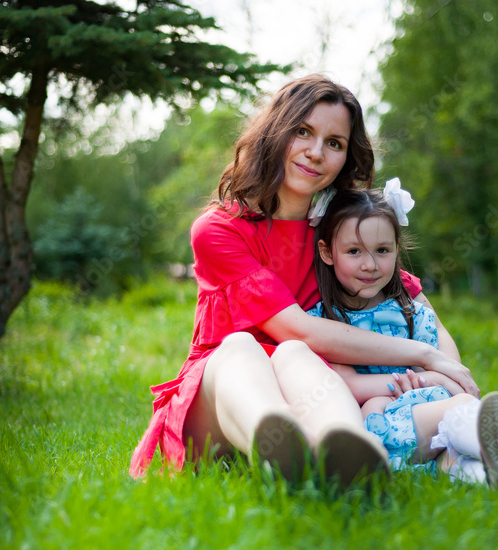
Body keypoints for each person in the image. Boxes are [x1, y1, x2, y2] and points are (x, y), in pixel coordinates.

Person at [130, 75, 479, 484]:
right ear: (275, 132)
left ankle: (347, 452)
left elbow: (410, 300)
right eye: (302, 132)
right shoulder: (219, 228)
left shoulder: (339, 239)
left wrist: (448, 369)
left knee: (297, 357)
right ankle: (279, 440)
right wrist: (422, 356)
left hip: (312, 386)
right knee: (245, 347)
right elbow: (296, 327)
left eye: (334, 143)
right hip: (220, 406)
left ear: (346, 158)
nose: (315, 152)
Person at [306, 185, 498, 488]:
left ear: (397, 249)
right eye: (354, 251)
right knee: (462, 408)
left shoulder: (414, 312)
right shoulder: (328, 321)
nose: (370, 264)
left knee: (454, 460)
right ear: (327, 252)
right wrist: (430, 380)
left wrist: (444, 378)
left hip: (433, 429)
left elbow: (447, 361)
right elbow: (347, 384)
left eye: (382, 250)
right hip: (388, 424)